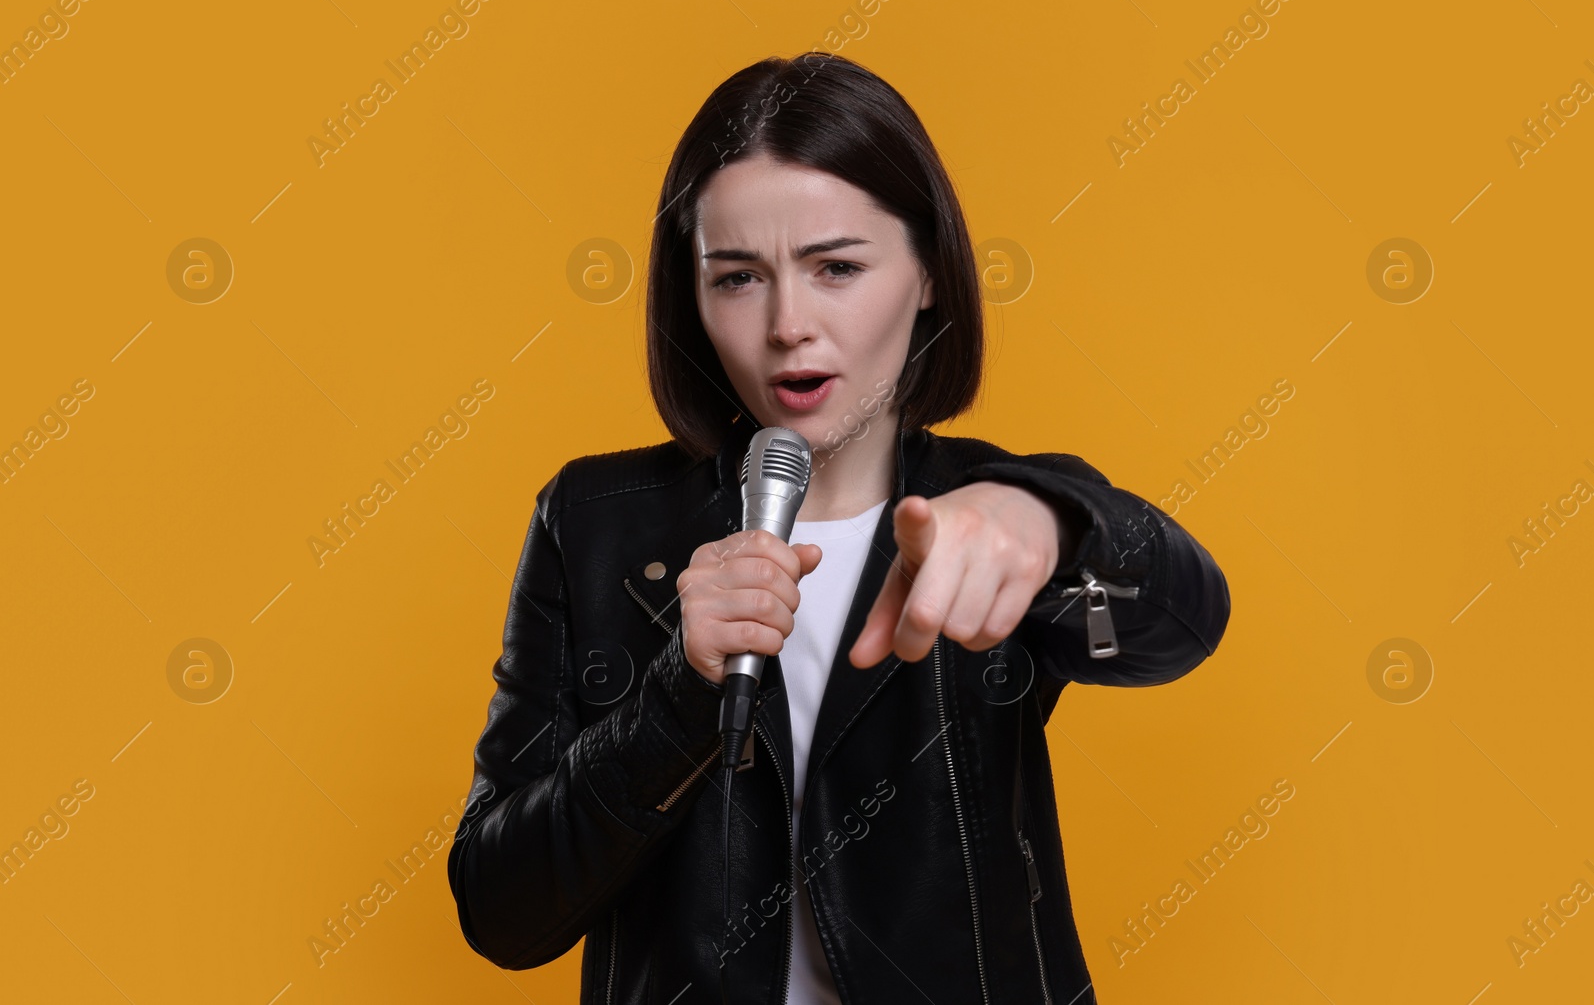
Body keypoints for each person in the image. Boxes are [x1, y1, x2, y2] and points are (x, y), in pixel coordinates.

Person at [447, 51, 1230, 1005]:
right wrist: (674, 697)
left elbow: (1173, 625)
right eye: (738, 278)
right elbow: (501, 910)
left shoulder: (990, 510)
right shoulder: (595, 523)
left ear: (931, 274)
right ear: (690, 300)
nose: (788, 324)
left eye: (838, 268)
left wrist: (1058, 529)